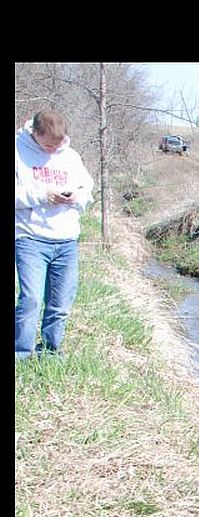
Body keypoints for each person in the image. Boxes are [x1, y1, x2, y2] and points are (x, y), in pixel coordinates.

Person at [15, 109, 93, 360]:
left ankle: (50, 353)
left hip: (66, 239)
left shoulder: (71, 157)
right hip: (30, 237)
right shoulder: (18, 151)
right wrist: (42, 195)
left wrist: (76, 198)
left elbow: (87, 190)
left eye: (56, 145)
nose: (51, 150)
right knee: (31, 300)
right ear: (34, 133)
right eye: (47, 145)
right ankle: (21, 355)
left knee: (60, 304)